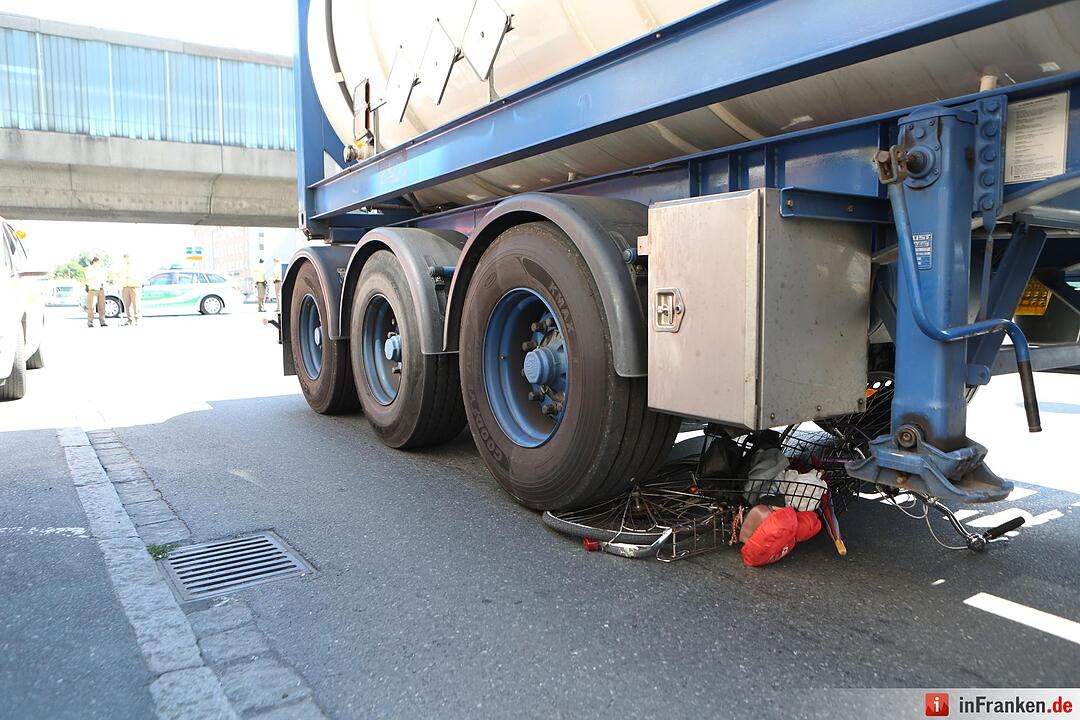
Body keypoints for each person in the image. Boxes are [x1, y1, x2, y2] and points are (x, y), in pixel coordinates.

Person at [85, 256, 107, 328]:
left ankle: (102, 321)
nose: (99, 263)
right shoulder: (88, 269)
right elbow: (88, 278)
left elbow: (104, 278)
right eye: (98, 262)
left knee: (102, 306)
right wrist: (96, 275)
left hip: (101, 289)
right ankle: (90, 322)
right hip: (93, 290)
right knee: (91, 307)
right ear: (94, 262)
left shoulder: (102, 270)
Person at [120, 253, 141, 326]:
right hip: (125, 287)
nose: (126, 259)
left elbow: (135, 275)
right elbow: (119, 275)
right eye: (125, 257)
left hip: (133, 286)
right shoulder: (122, 267)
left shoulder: (134, 266)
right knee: (127, 304)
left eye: (127, 257)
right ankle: (129, 319)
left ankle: (137, 319)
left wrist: (127, 275)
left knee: (136, 304)